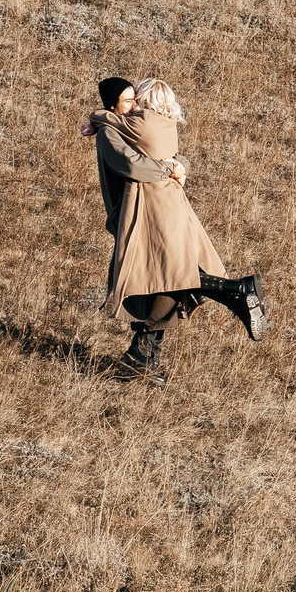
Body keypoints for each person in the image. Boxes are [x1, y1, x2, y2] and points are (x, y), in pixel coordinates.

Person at [85, 75, 267, 381]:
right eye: (129, 101)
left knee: (163, 277)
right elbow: (163, 153)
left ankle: (236, 290)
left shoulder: (118, 129)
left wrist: (98, 120)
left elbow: (133, 165)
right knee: (164, 279)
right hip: (167, 205)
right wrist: (175, 163)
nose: (134, 107)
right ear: (113, 104)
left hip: (148, 211)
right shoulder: (136, 127)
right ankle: (141, 359)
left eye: (136, 100)